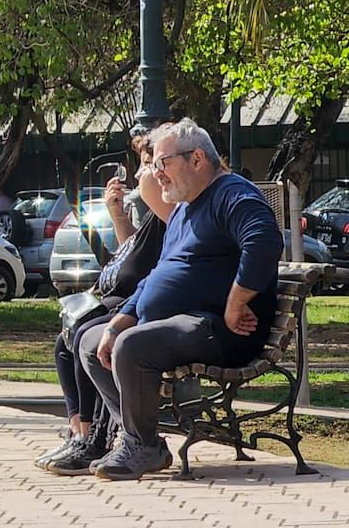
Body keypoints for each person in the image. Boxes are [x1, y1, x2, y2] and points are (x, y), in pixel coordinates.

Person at [79, 118, 283, 481]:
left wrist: (235, 302)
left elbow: (265, 243)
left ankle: (138, 445)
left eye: (162, 163)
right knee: (92, 340)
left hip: (219, 328)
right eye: (154, 164)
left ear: (197, 158)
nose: (156, 174)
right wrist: (119, 320)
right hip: (178, 324)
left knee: (132, 345)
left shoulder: (233, 195)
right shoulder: (184, 207)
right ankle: (143, 442)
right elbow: (157, 275)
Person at [38, 135, 176, 475]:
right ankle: (81, 432)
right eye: (145, 163)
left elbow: (149, 267)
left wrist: (146, 181)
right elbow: (133, 251)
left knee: (90, 336)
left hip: (140, 307)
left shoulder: (172, 208)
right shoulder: (156, 215)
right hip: (124, 302)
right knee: (69, 340)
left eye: (151, 162)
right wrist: (116, 211)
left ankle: (102, 436)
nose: (144, 172)